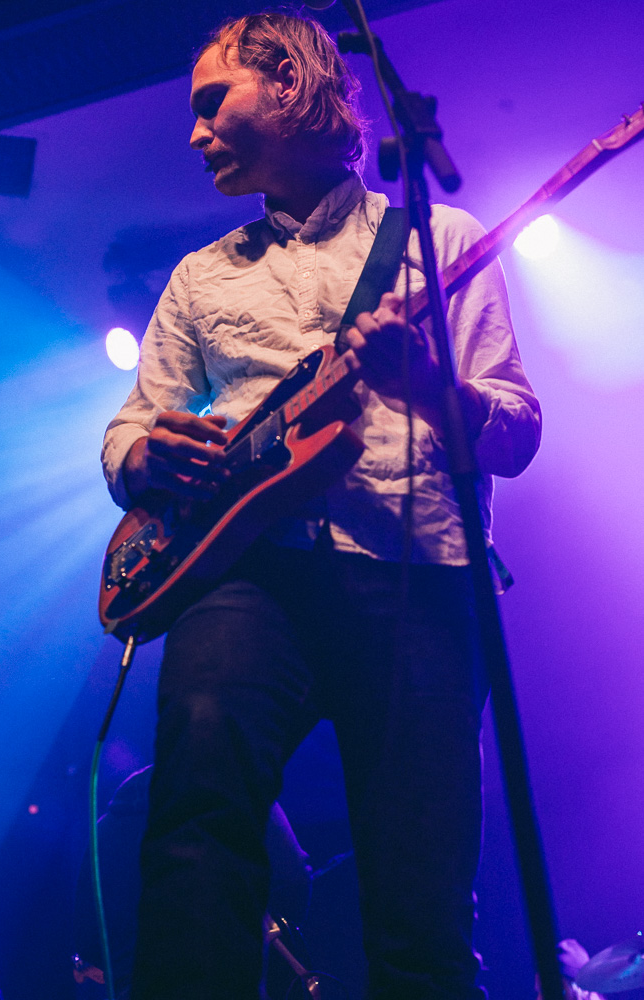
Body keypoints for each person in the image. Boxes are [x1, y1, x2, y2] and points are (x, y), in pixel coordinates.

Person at [101, 11, 541, 1000]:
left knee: (419, 875)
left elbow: (514, 431)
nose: (194, 130)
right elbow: (131, 429)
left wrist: (429, 385)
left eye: (214, 100)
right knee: (197, 828)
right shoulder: (199, 276)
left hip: (418, 574)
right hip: (248, 572)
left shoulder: (444, 241)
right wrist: (143, 456)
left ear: (293, 85)